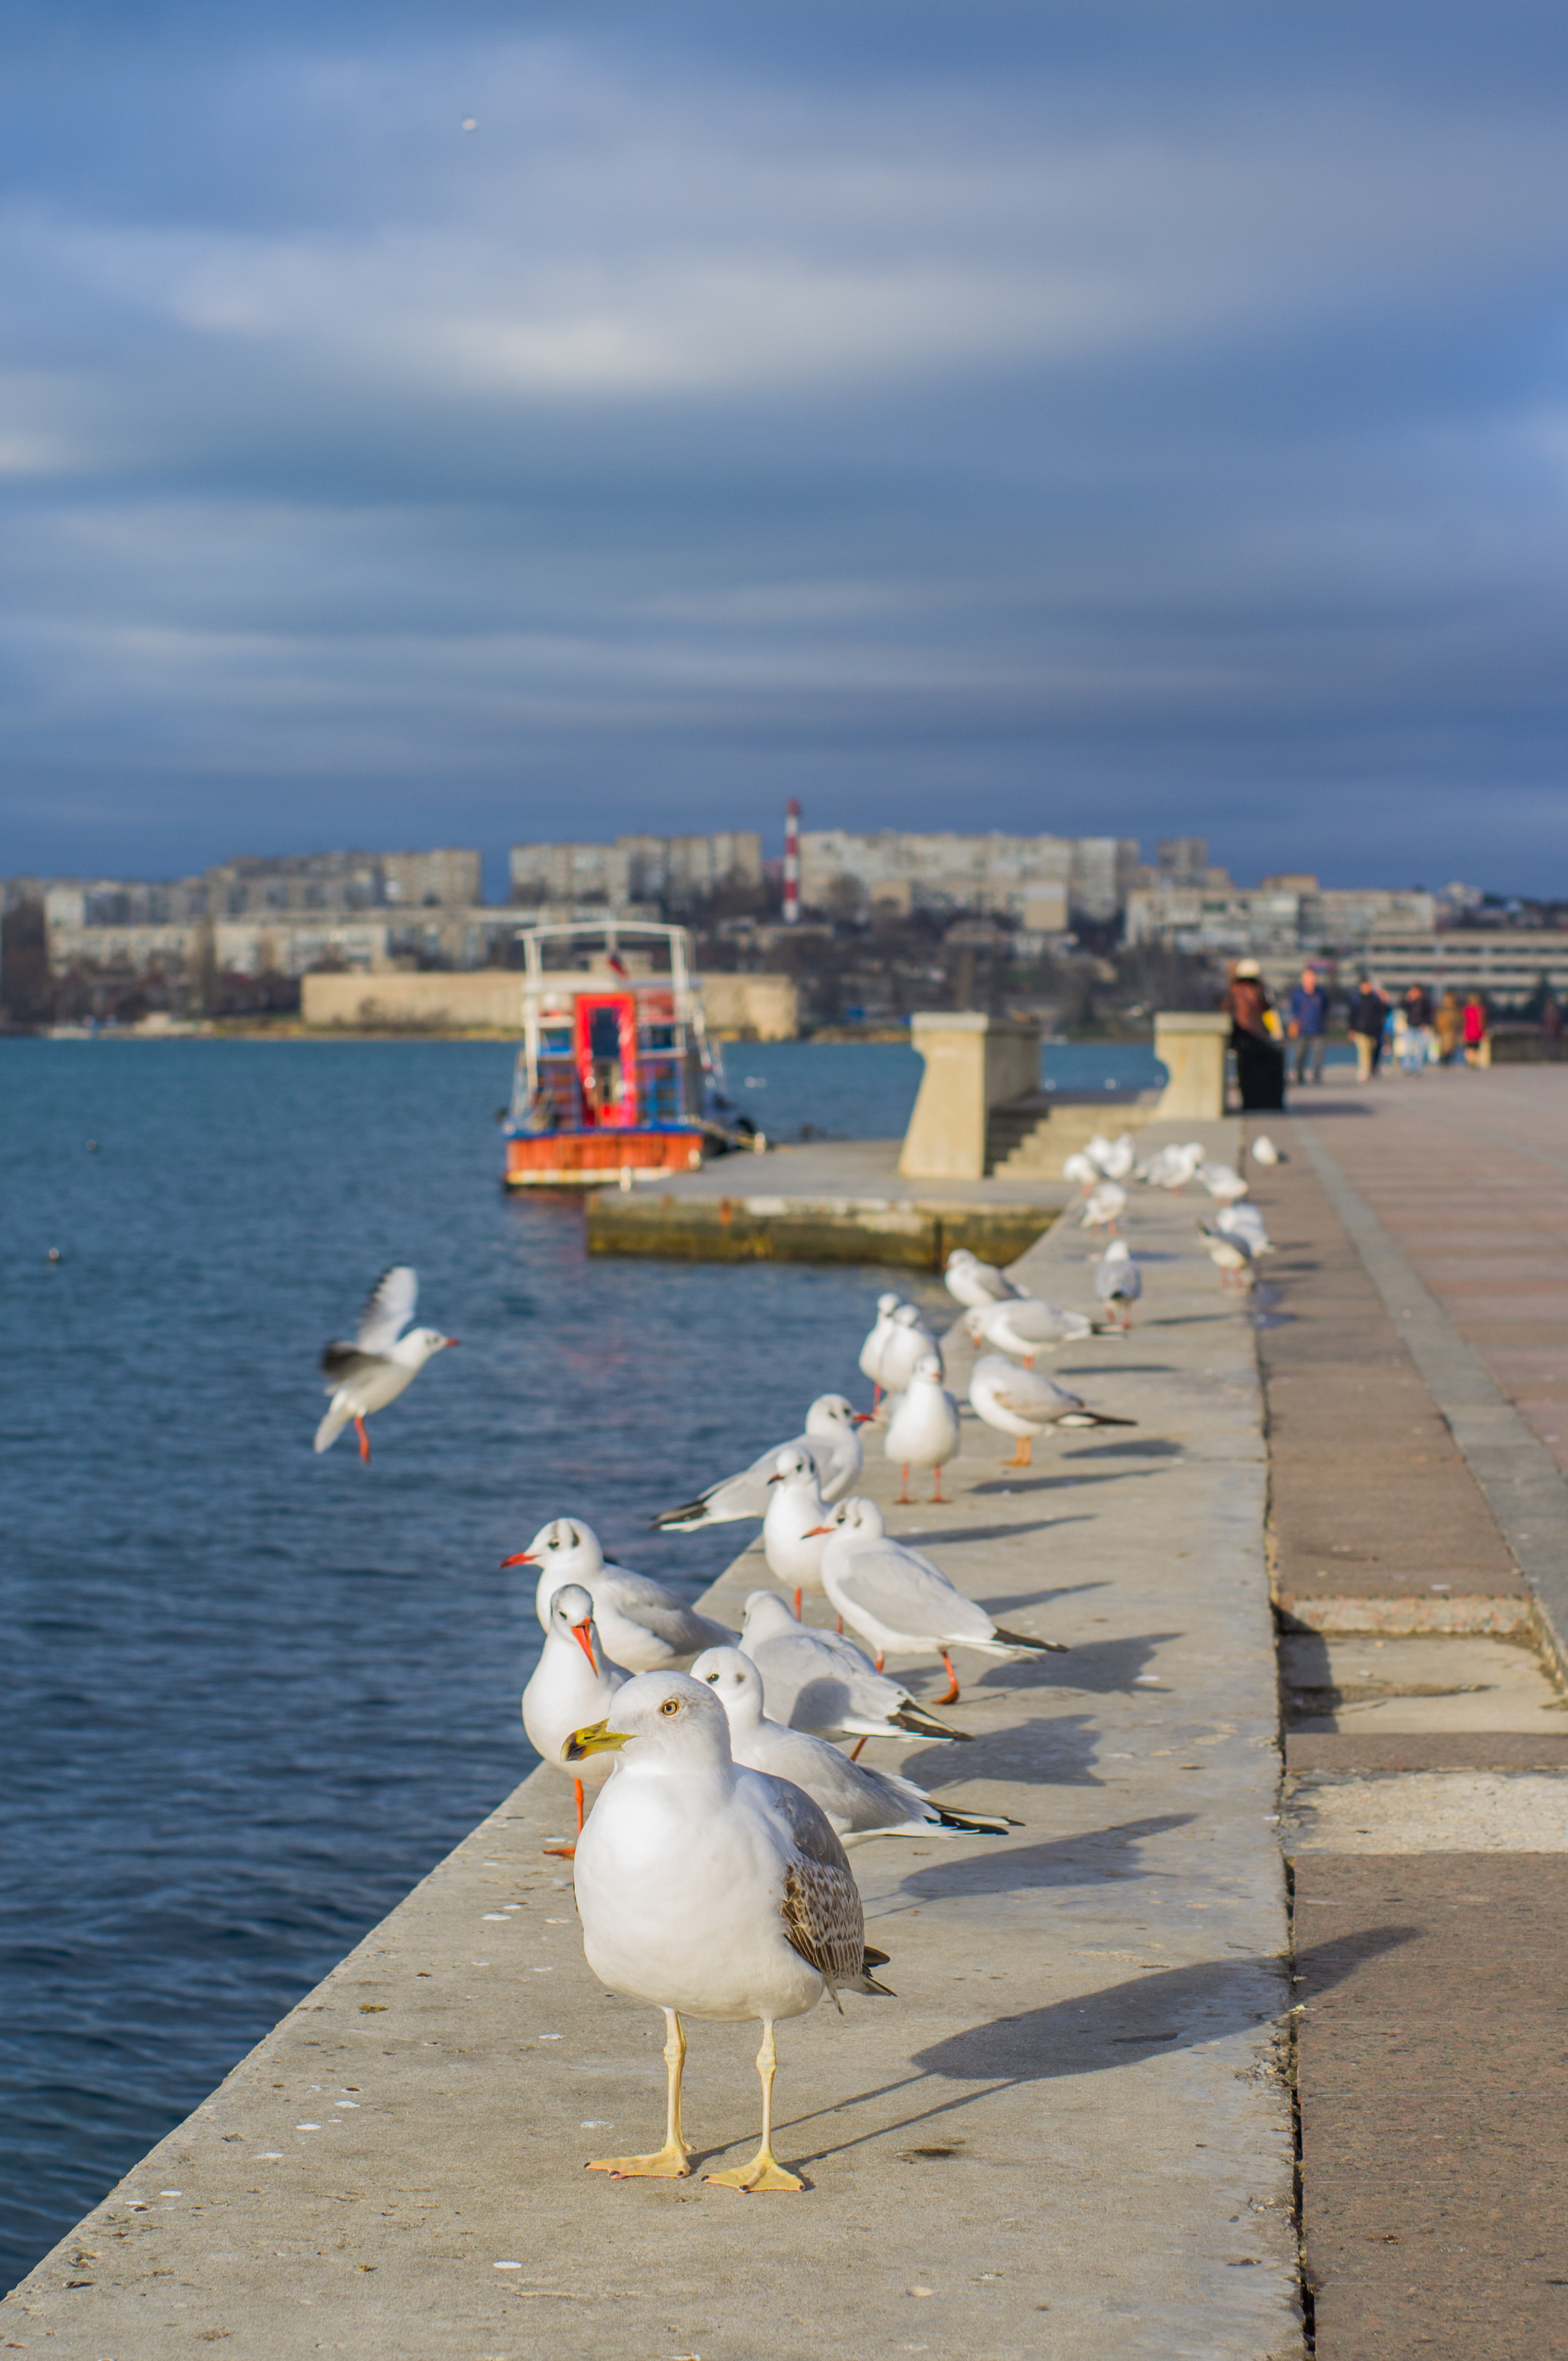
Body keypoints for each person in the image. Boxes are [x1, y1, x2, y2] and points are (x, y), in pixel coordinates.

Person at [1220, 958, 1286, 1110]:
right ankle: (1261, 1100)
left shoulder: (1234, 990)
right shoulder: (1260, 988)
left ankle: (1247, 1101)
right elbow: (1267, 1007)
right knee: (1259, 1072)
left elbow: (1225, 1008)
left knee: (1244, 1072)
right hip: (1260, 1037)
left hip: (1242, 1037)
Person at [1286, 965, 1331, 1086]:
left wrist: (1325, 1020)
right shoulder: (1298, 994)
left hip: (1318, 1029)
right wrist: (1294, 1024)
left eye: (1313, 978)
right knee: (1300, 1054)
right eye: (1308, 978)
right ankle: (1299, 1076)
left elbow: (1326, 1008)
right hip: (1302, 1029)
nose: (1311, 980)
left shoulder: (1321, 993)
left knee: (1318, 1054)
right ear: (1303, 979)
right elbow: (1294, 1011)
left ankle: (1317, 1077)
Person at [1346, 976, 1388, 1083]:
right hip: (1360, 1029)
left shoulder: (1375, 999)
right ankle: (1363, 1071)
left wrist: (1385, 1002)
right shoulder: (1356, 999)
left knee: (1371, 1051)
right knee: (1363, 1050)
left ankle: (1369, 1070)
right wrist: (1352, 1029)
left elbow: (1381, 1014)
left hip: (1373, 1030)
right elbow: (1352, 1015)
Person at [1434, 988, 1464, 1065]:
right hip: (1444, 1031)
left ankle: (1448, 1060)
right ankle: (1444, 1060)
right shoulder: (1442, 1008)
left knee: (1451, 1047)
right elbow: (1438, 1019)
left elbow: (1459, 1019)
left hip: (1452, 1031)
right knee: (1444, 1047)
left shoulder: (1455, 1008)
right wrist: (1437, 1028)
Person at [1462, 991, 1490, 1068]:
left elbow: (1463, 1021)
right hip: (1477, 1031)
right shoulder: (1480, 1010)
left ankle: (1471, 1061)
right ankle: (1474, 1061)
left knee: (1469, 1048)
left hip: (1469, 1031)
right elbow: (1483, 1021)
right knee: (1475, 1048)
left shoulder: (1466, 1010)